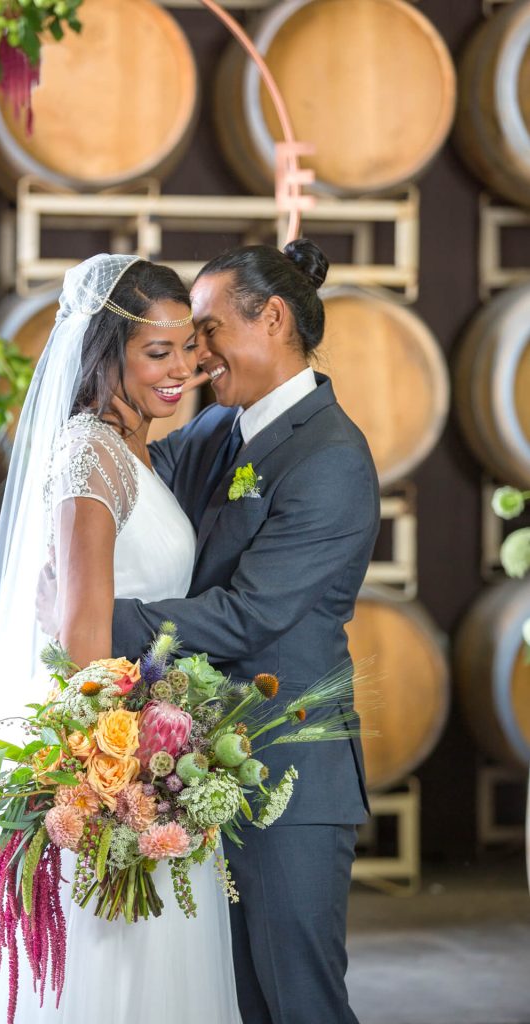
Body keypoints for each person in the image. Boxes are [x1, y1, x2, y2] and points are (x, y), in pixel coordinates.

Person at [0, 255, 242, 1024]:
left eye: (188, 347)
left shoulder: (135, 447)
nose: (183, 367)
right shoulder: (91, 455)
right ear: (104, 352)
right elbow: (83, 641)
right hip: (119, 766)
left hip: (153, 750)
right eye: (158, 352)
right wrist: (133, 775)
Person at [113, 239, 381, 1024]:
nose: (196, 351)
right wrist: (135, 398)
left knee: (295, 1001)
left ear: (271, 317)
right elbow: (142, 484)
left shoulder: (331, 456)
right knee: (231, 1003)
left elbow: (251, 614)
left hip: (288, 776)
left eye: (205, 330)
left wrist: (101, 622)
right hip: (203, 768)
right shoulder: (221, 430)